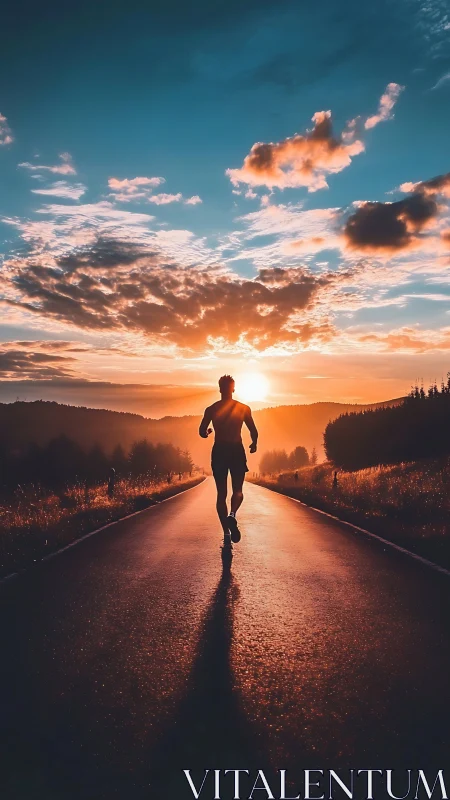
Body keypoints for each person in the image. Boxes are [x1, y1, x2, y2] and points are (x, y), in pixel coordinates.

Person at [199, 375, 258, 555]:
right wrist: (254, 444)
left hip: (219, 452)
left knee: (221, 494)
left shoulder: (211, 409)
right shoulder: (243, 408)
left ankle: (226, 533)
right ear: (233, 388)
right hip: (236, 451)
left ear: (219, 389)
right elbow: (254, 430)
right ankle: (232, 514)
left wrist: (208, 432)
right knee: (238, 490)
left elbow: (201, 432)